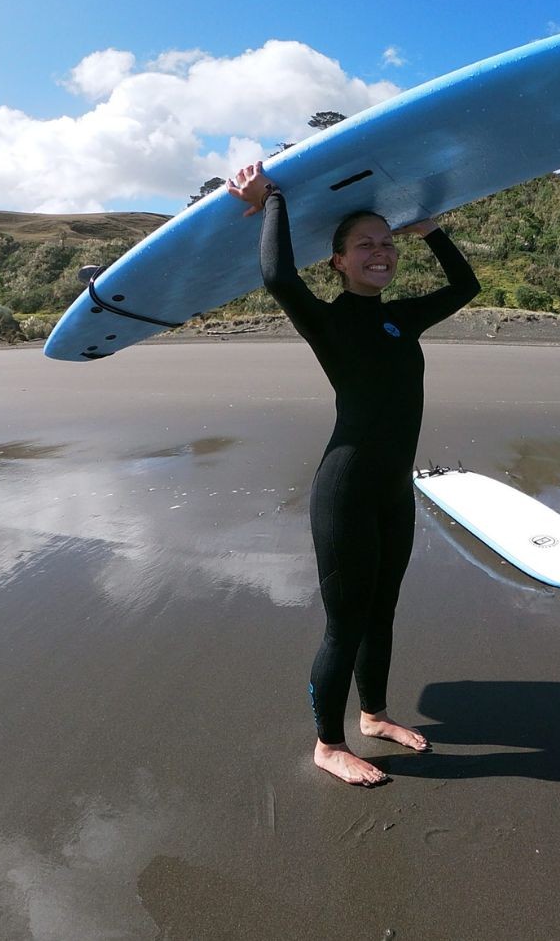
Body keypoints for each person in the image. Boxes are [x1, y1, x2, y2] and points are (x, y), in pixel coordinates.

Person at [228, 161, 480, 786]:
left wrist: (432, 234)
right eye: (365, 244)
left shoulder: (401, 319)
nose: (381, 252)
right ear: (338, 261)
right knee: (345, 624)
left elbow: (466, 287)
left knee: (383, 610)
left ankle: (374, 715)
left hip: (395, 493)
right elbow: (276, 274)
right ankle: (326, 744)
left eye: (387, 243)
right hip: (344, 492)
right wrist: (271, 200)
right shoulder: (329, 319)